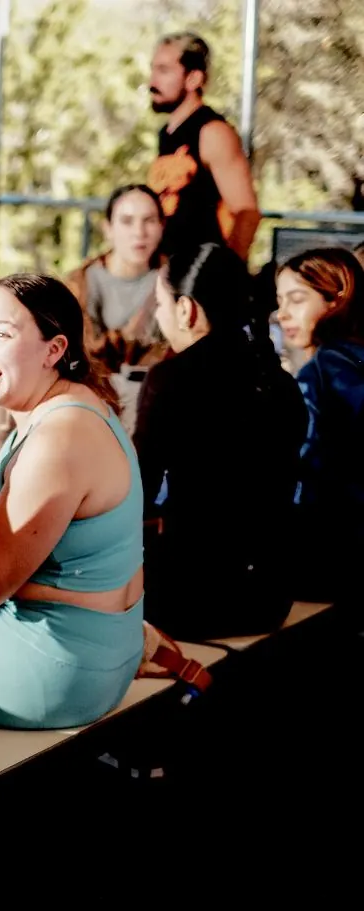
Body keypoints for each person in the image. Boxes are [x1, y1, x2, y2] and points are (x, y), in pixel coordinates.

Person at [0, 274, 145, 729]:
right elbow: (14, 497)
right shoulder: (73, 407)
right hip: (98, 652)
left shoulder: (59, 438)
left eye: (1, 333)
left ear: (54, 350)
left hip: (48, 668)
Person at [134, 244, 306, 639]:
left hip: (192, 601)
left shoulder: (170, 379)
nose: (159, 316)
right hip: (268, 599)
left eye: (161, 304)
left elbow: (135, 495)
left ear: (186, 310)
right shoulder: (280, 382)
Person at [275, 248, 364, 601]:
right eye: (280, 301)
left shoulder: (321, 372)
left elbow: (302, 470)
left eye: (296, 300)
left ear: (337, 298)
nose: (282, 314)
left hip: (335, 554)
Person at [146, 33, 260, 260]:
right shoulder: (167, 134)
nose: (152, 82)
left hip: (203, 278)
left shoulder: (213, 132)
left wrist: (227, 272)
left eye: (164, 70)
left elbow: (247, 213)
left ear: (194, 78)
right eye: (153, 70)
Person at [66, 184, 169, 432]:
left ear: (162, 226)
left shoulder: (173, 280)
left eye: (149, 220)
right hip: (95, 401)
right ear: (108, 229)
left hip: (158, 403)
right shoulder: (82, 283)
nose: (139, 232)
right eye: (127, 221)